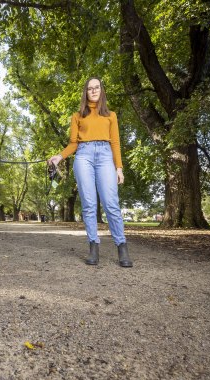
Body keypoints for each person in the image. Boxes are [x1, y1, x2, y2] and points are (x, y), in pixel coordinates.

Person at [48, 77, 132, 267]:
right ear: (85, 92)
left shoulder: (111, 115)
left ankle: (122, 246)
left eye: (97, 88)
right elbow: (73, 143)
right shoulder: (77, 116)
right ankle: (93, 246)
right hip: (83, 156)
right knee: (89, 204)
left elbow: (115, 143)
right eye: (89, 88)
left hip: (105, 156)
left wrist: (119, 168)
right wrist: (59, 157)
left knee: (111, 203)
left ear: (102, 90)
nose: (93, 91)